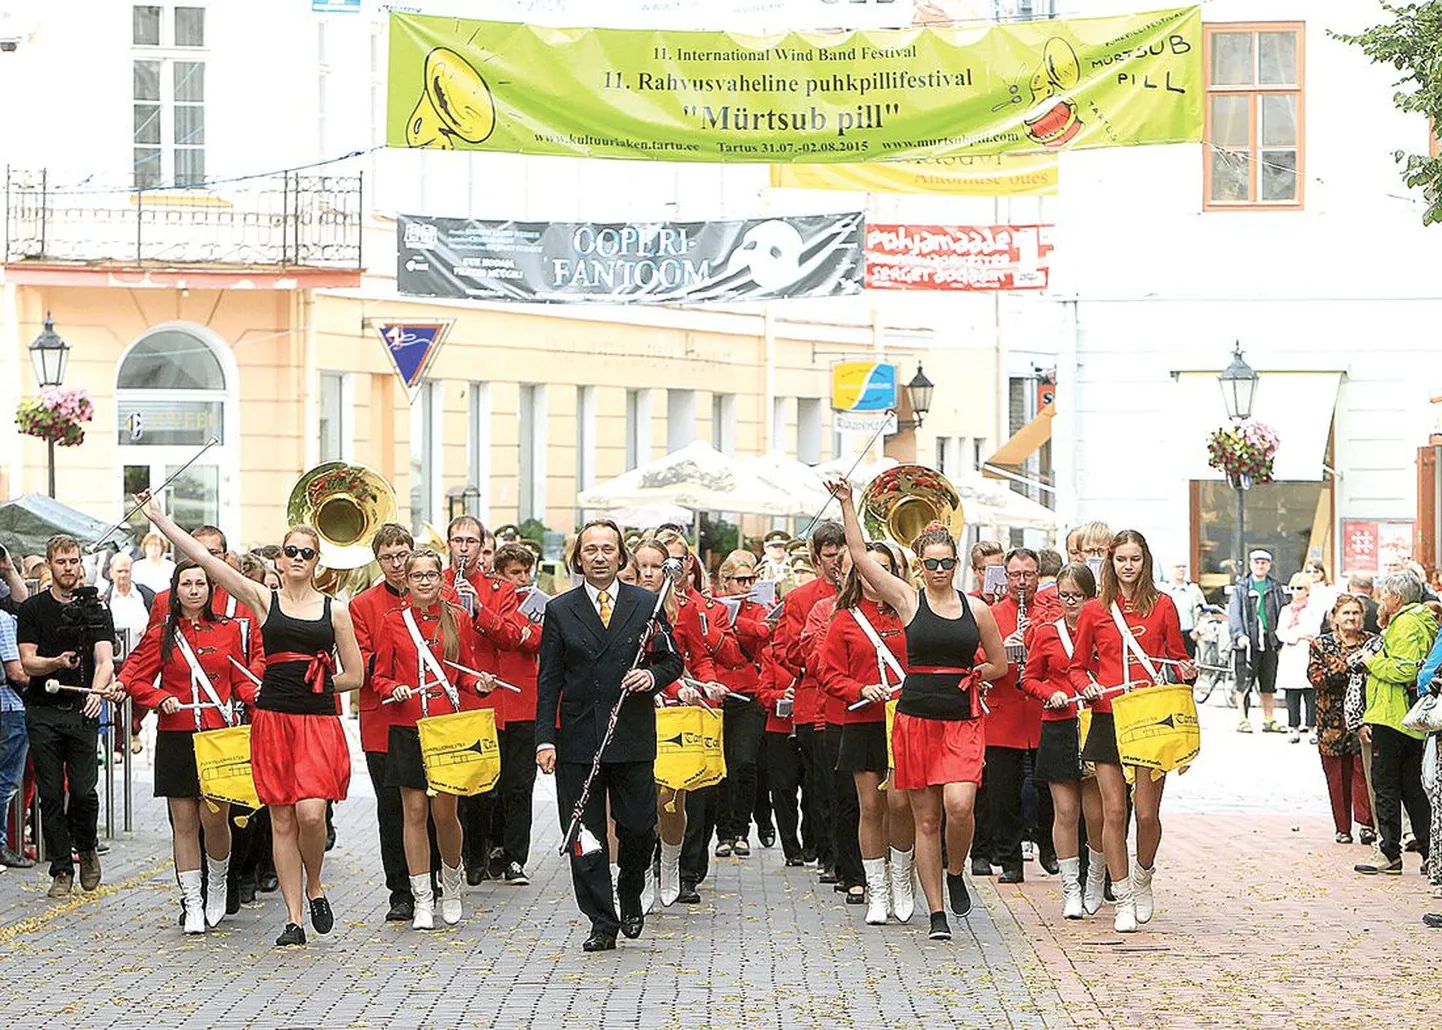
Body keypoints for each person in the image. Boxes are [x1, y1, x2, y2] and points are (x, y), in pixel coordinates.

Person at [139, 496, 364, 947]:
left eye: (307, 552)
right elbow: (204, 558)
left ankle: (315, 883)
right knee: (281, 820)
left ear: (318, 560)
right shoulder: (264, 599)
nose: (298, 559)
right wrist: (159, 518)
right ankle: (295, 918)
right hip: (274, 719)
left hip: (317, 721)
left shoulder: (335, 609)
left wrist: (324, 683)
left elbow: (356, 674)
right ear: (280, 558)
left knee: (311, 813)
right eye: (291, 551)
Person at [830, 477, 1008, 942]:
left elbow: (1000, 664)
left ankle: (955, 870)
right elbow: (863, 559)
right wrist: (849, 503)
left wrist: (978, 675)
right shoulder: (908, 601)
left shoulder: (978, 609)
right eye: (931, 564)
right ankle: (936, 913)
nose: (940, 570)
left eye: (947, 562)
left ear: (957, 563)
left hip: (962, 719)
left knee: (960, 804)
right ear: (920, 565)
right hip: (915, 719)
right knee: (925, 818)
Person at [535, 521, 684, 953]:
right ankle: (601, 918)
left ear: (622, 557)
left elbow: (672, 662)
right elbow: (549, 681)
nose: (599, 557)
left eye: (608, 549)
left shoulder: (646, 605)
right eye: (590, 550)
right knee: (584, 832)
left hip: (630, 733)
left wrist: (651, 675)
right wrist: (545, 738)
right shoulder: (560, 610)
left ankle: (632, 887)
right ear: (578, 558)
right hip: (578, 737)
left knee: (638, 824)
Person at [1067, 530, 1195, 933]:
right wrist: (1084, 686)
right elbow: (1076, 665)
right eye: (1121, 559)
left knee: (1146, 813)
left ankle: (1143, 877)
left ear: (1145, 561)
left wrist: (1186, 670)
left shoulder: (1164, 606)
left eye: (1134, 559)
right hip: (1107, 715)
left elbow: (1177, 657)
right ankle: (1121, 895)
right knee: (1114, 810)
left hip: (1150, 718)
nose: (1127, 566)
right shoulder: (1093, 609)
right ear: (1110, 562)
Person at [119, 560, 253, 933]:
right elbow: (137, 679)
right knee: (183, 822)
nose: (193, 590)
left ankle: (219, 882)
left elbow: (240, 680)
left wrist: (251, 696)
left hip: (216, 734)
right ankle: (192, 900)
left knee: (215, 819)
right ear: (174, 590)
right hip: (176, 733)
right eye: (186, 584)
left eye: (200, 584)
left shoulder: (228, 631)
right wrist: (160, 696)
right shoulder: (162, 633)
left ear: (210, 590)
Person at [372, 549, 497, 930]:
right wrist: (392, 689)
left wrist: (480, 684)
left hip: (447, 730)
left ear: (441, 580)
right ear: (405, 581)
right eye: (417, 576)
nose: (425, 582)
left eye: (431, 575)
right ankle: (422, 897)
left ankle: (452, 883)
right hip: (409, 728)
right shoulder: (393, 621)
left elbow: (465, 674)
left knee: (446, 814)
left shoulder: (457, 618)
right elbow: (378, 677)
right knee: (413, 813)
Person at [819, 540, 917, 926]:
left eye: (884, 568)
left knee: (900, 803)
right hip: (862, 720)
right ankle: (876, 887)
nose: (876, 576)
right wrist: (859, 689)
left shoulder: (909, 611)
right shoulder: (844, 618)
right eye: (869, 568)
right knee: (870, 807)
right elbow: (828, 673)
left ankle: (902, 880)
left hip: (904, 718)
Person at [16, 534, 119, 897]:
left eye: (74, 561)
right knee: (48, 794)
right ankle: (61, 868)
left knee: (83, 791)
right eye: (62, 562)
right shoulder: (33, 609)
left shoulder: (97, 608)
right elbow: (27, 661)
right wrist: (56, 662)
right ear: (50, 564)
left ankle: (87, 848)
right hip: (43, 710)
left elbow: (105, 659)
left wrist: (96, 690)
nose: (69, 568)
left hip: (81, 710)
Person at [348, 523, 416, 921]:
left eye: (402, 555)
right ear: (378, 560)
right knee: (391, 807)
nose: (396, 564)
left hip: (427, 715)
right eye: (388, 557)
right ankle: (400, 891)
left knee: (430, 802)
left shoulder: (432, 595)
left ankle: (431, 877)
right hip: (384, 718)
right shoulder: (363, 605)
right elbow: (361, 659)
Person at [979, 548, 1058, 884]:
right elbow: (977, 657)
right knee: (1003, 792)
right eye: (1015, 575)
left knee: (1048, 788)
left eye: (1028, 574)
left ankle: (1048, 843)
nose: (1022, 582)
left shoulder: (1050, 613)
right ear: (1005, 577)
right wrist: (1002, 650)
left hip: (1042, 709)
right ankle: (1010, 859)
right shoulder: (992, 613)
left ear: (1038, 575)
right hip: (1004, 710)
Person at [775, 522, 846, 883]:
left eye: (840, 555)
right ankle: (828, 854)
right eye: (829, 556)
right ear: (817, 559)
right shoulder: (801, 599)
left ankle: (845, 855)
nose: (836, 563)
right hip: (813, 700)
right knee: (820, 786)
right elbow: (788, 652)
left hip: (851, 702)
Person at [1354, 572, 1437, 876]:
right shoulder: (1423, 620)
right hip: (1408, 715)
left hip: (1393, 713)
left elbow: (1405, 669)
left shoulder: (1405, 623)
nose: (1382, 599)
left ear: (1398, 598)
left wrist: (1370, 662)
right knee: (1412, 786)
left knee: (1386, 785)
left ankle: (1389, 851)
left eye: (1386, 594)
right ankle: (1430, 852)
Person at [713, 552, 771, 857]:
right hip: (718, 693)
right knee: (721, 766)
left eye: (751, 579)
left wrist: (734, 621)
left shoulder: (757, 608)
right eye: (741, 580)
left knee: (745, 763)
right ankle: (723, 831)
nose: (747, 585)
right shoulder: (712, 605)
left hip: (749, 693)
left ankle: (741, 829)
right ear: (726, 581)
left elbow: (763, 632)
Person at [492, 543, 544, 885]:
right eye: (515, 572)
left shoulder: (540, 605)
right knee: (490, 785)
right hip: (493, 700)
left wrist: (521, 630)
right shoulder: (493, 599)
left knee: (521, 784)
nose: (522, 578)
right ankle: (490, 847)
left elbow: (536, 639)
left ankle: (515, 857)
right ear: (500, 575)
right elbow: (501, 633)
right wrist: (517, 629)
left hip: (525, 702)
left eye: (526, 572)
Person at [1306, 594, 1376, 844]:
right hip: (1331, 721)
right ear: (1334, 617)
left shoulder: (1372, 642)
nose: (1351, 618)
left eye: (1355, 613)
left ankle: (1368, 824)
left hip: (1365, 718)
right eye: (1346, 613)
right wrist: (1347, 666)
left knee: (1365, 772)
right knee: (1337, 776)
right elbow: (1316, 679)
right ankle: (1343, 828)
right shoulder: (1321, 645)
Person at [1229, 549, 1288, 734]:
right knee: (1243, 682)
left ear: (1269, 565)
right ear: (1251, 564)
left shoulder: (1275, 587)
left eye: (1264, 563)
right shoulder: (1241, 587)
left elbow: (1282, 612)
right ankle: (1242, 719)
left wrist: (1280, 638)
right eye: (1257, 562)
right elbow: (1235, 614)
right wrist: (1239, 635)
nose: (1260, 566)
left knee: (1268, 683)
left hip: (1268, 641)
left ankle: (1269, 719)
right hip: (1247, 643)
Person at [0, 604, 33, 870]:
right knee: (5, 782)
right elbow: (15, 672)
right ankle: (0, 846)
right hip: (9, 707)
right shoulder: (2, 620)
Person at [1277, 573, 1324, 743]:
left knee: (1310, 691)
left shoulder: (1312, 610)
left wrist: (1298, 634)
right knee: (1292, 692)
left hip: (1306, 652)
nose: (1296, 592)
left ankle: (1312, 728)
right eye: (1293, 588)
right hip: (1290, 653)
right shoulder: (1285, 610)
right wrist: (1296, 635)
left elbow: (1313, 630)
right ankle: (1294, 728)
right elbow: (1281, 632)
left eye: (1300, 588)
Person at [1162, 564, 1206, 659]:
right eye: (1177, 567)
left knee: (1187, 669)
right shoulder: (1162, 590)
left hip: (1188, 636)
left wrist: (1197, 631)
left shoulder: (1193, 590)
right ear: (1170, 569)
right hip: (1168, 637)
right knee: (1170, 668)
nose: (1181, 570)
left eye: (1184, 567)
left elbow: (1204, 613)